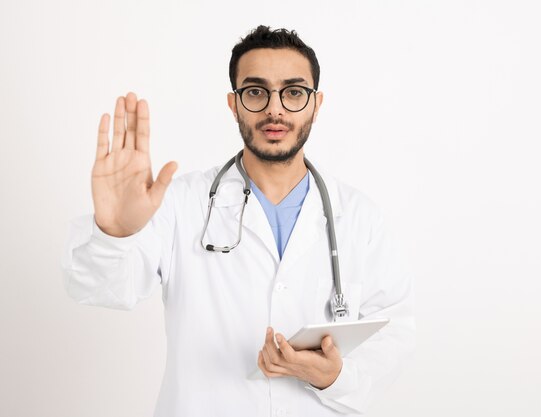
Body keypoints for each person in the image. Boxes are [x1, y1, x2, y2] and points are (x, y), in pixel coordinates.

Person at [63, 25, 416, 416]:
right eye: (255, 92)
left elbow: (393, 331)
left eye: (294, 92)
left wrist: (335, 378)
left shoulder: (358, 218)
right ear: (234, 104)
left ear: (317, 104)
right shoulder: (180, 203)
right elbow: (105, 290)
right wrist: (116, 232)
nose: (274, 109)